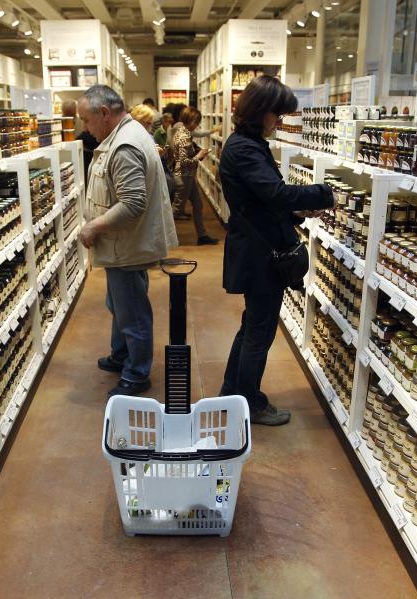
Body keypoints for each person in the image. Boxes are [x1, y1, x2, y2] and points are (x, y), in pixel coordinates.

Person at [218, 75, 334, 426]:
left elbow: (262, 201)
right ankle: (249, 403)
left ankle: (232, 393)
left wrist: (294, 211)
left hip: (257, 248)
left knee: (252, 326)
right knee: (260, 331)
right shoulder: (245, 148)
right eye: (276, 114)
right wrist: (323, 194)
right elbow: (277, 193)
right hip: (260, 257)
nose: (278, 121)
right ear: (260, 111)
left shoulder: (247, 143)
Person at [77, 85, 178, 398]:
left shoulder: (124, 146)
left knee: (132, 311)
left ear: (105, 114)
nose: (85, 127)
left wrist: (94, 226)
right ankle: (121, 355)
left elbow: (133, 202)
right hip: (123, 243)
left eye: (86, 120)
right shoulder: (127, 132)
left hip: (126, 244)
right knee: (118, 303)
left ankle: (137, 373)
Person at [170, 107, 218, 245]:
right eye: (196, 121)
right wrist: (199, 156)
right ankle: (160, 239)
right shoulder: (184, 136)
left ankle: (202, 236)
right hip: (184, 176)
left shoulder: (183, 131)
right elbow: (185, 162)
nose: (197, 124)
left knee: (198, 204)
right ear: (190, 121)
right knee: (176, 211)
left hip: (187, 176)